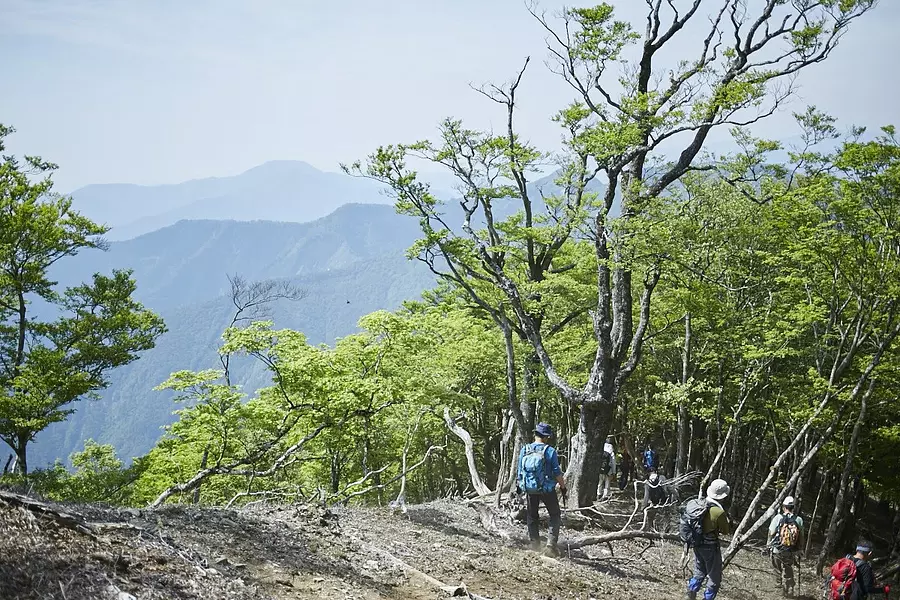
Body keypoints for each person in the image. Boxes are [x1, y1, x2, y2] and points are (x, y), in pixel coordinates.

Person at [516, 422, 567, 557]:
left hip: (530, 488)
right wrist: (563, 487)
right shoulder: (550, 451)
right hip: (547, 489)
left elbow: (519, 471)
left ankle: (534, 544)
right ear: (546, 437)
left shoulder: (525, 450)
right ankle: (550, 546)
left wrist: (520, 486)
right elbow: (557, 472)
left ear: (536, 434)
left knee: (532, 516)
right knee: (555, 515)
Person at [686, 478, 731, 600]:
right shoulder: (718, 512)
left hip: (697, 543)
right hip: (711, 547)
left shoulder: (699, 504)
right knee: (714, 577)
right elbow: (726, 531)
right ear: (723, 496)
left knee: (699, 570)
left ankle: (691, 593)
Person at [767, 496, 805, 598]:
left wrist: (769, 543)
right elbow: (801, 536)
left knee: (777, 569)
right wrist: (800, 549)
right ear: (793, 507)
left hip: (777, 550)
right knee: (788, 569)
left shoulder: (778, 518)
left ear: (784, 507)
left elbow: (771, 532)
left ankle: (779, 591)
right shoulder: (798, 520)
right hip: (790, 551)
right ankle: (790, 589)